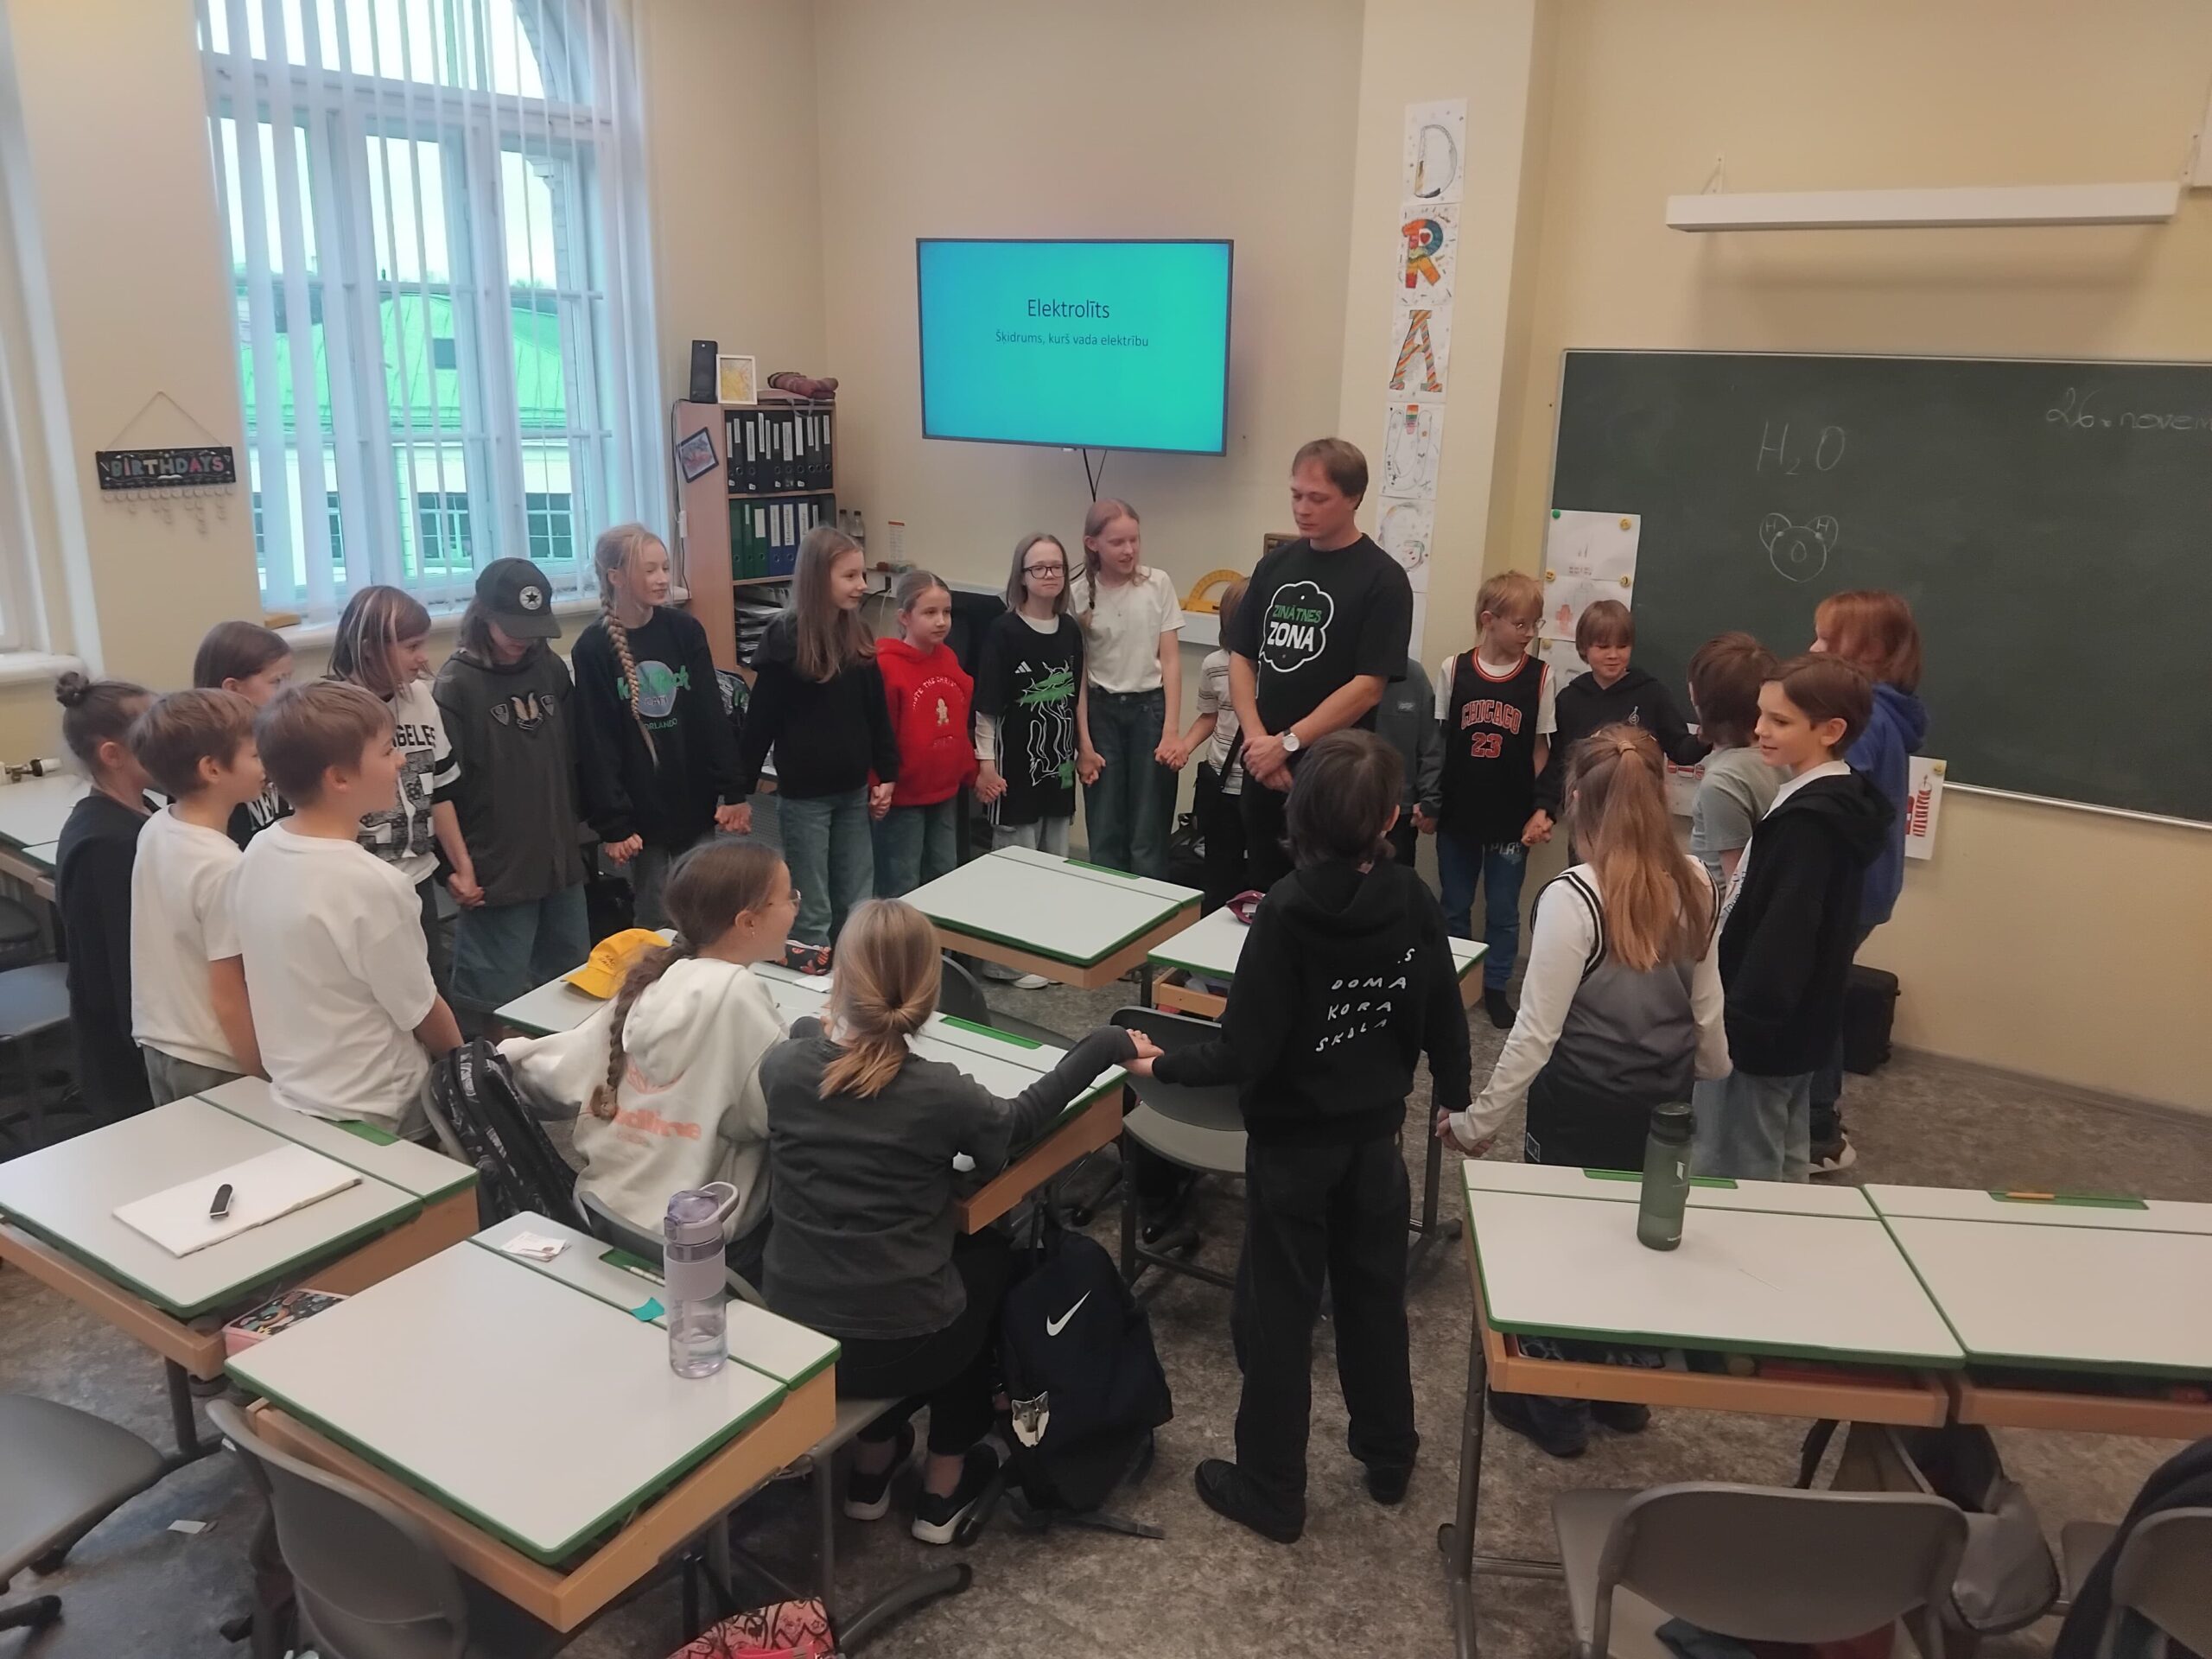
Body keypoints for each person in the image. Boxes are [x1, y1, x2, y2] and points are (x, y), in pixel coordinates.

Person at [1130, 730, 1471, 1544]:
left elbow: (1243, 1051)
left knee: (1277, 1317)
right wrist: (1456, 1096)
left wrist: (1157, 1065)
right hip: (1375, 1143)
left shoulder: (1283, 911)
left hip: (1291, 1151)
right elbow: (1441, 1011)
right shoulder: (1412, 897)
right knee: (1373, 1299)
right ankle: (1388, 1454)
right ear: (1388, 818)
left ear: (1301, 811)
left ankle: (1273, 1488)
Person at [759, 899, 1152, 1543]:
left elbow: (812, 1043)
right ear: (927, 990)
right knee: (985, 1264)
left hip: (796, 1334)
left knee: (898, 1283)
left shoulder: (784, 1068)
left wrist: (812, 1027)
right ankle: (943, 1488)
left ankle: (872, 1467)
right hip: (901, 1347)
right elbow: (1022, 1120)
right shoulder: (941, 1092)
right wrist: (1105, 1043)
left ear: (841, 980)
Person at [1440, 726, 1729, 1458]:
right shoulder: (1698, 883)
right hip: (1663, 1106)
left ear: (1574, 800)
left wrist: (1478, 1121)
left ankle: (1557, 1406)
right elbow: (1707, 1012)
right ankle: (1623, 1393)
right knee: (1637, 1242)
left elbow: (1534, 1036)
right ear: (1661, 795)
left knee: (1564, 1247)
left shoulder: (1573, 898)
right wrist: (1708, 1073)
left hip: (1579, 1106)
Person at [503, 842, 795, 1281]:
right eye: (790, 897)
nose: (795, 909)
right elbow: (771, 1117)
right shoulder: (738, 995)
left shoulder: (652, 981)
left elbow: (558, 1078)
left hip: (607, 1214)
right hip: (701, 1245)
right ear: (748, 921)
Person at [1690, 656, 1891, 1182]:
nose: (1760, 729)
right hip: (1797, 1027)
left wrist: (1740, 1028)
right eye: (1761, 714)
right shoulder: (1827, 801)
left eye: (1780, 721)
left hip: (1762, 1035)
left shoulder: (1810, 826)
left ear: (1831, 731)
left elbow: (1786, 938)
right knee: (1782, 1152)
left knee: (1739, 1164)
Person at [234, 682, 464, 1137]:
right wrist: (467, 1069)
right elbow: (421, 1009)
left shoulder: (258, 850)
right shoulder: (373, 884)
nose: (401, 761)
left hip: (297, 1094)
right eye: (387, 751)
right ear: (339, 778)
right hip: (379, 1106)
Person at [1225, 439, 1414, 892]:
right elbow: (1241, 657)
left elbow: (1368, 686)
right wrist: (1258, 741)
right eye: (1296, 495)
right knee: (1263, 893)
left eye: (1317, 498)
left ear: (1353, 498)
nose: (1302, 509)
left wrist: (1288, 743)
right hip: (1263, 765)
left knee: (1328, 894)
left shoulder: (1383, 579)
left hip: (1335, 776)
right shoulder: (1274, 566)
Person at [432, 559, 590, 1020]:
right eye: (514, 628)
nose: (525, 639)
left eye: (534, 628)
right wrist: (454, 868)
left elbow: (571, 756)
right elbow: (440, 789)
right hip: (496, 865)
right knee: (491, 994)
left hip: (558, 858)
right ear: (483, 615)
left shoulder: (549, 669)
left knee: (571, 979)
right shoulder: (456, 685)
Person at [734, 527, 897, 969]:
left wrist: (887, 773)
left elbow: (876, 713)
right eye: (850, 576)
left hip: (852, 792)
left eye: (862, 575)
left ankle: (855, 978)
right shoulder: (785, 639)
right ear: (818, 578)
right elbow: (760, 721)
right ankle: (812, 984)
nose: (862, 585)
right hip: (805, 799)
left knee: (857, 897)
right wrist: (738, 791)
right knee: (813, 905)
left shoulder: (857, 634)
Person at [1807, 590, 1927, 1174]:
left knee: (1813, 1000)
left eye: (1828, 641)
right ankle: (1816, 1122)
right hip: (1866, 885)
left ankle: (1818, 1130)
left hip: (1849, 886)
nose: (1813, 650)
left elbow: (1830, 795)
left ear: (1872, 652)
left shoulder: (1869, 717)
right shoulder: (1886, 711)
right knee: (1818, 993)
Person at [574, 524, 745, 931]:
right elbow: (597, 744)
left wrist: (733, 790)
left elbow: (711, 714)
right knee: (654, 915)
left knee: (704, 905)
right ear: (615, 577)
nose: (663, 578)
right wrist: (613, 824)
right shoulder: (593, 648)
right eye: (649, 570)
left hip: (693, 796)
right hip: (641, 812)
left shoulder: (684, 630)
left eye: (666, 567)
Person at [326, 584, 475, 988]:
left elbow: (439, 790)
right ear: (370, 649)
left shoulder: (420, 699)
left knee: (429, 985)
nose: (423, 657)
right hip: (359, 888)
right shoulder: (330, 710)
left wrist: (460, 865)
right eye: (411, 647)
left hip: (416, 877)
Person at [128, 689, 265, 1104]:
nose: (265, 764)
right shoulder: (224, 867)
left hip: (160, 1041)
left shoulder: (157, 827)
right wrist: (263, 1076)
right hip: (215, 1057)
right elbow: (229, 996)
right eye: (255, 754)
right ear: (212, 769)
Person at [1432, 570, 1557, 1028]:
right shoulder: (1454, 669)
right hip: (1458, 813)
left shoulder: (1541, 676)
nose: (1529, 634)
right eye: (1520, 624)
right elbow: (1439, 743)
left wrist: (1541, 808)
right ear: (1489, 620)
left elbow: (1543, 748)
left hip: (1511, 817)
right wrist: (1429, 800)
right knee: (1455, 904)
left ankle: (1496, 985)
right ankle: (1455, 983)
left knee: (1504, 911)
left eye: (1535, 624)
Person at [53, 673, 156, 1120]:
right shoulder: (107, 844)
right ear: (113, 755)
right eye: (152, 732)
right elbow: (121, 975)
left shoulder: (141, 810)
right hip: (128, 1064)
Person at [1068, 499, 1185, 878]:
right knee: (1105, 825)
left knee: (1148, 827)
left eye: (1134, 540)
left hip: (1149, 711)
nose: (1129, 550)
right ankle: (1108, 900)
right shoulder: (1077, 595)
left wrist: (1171, 731)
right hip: (1101, 713)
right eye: (1117, 542)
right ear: (1092, 544)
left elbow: (1171, 662)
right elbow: (1079, 677)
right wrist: (1084, 744)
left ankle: (1150, 905)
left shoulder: (1157, 583)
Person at [1535, 600, 1707, 849]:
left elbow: (1680, 748)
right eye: (1603, 646)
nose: (1614, 655)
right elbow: (1559, 763)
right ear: (1584, 647)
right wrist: (1544, 809)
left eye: (1622, 646)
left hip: (1640, 819)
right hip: (1588, 821)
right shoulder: (1570, 699)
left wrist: (1705, 737)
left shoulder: (1652, 694)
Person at [872, 568, 976, 898]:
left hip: (943, 791)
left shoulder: (948, 659)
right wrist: (877, 782)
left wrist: (971, 772)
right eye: (930, 613)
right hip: (903, 797)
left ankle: (936, 933)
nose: (941, 621)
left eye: (946, 612)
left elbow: (957, 724)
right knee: (901, 880)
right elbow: (879, 733)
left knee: (944, 873)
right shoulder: (887, 666)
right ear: (904, 617)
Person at [1685, 632, 1783, 891]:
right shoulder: (1784, 755)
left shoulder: (1722, 783)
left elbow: (1737, 885)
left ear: (1700, 698)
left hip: (1717, 907)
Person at [193, 619, 294, 848]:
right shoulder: (211, 762)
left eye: (289, 678)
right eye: (277, 681)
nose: (288, 690)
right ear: (232, 689)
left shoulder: (278, 737)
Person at [1181, 576, 1248, 912]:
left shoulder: (1279, 668)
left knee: (1262, 871)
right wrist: (1184, 746)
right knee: (1219, 874)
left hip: (1262, 784)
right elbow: (1210, 716)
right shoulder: (1214, 664)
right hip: (1221, 781)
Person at [1375, 652, 1444, 874]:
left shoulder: (1414, 676)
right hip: (1343, 808)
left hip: (1399, 813)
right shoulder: (1339, 671)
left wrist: (1430, 802)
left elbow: (1431, 746)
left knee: (1395, 886)